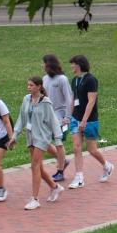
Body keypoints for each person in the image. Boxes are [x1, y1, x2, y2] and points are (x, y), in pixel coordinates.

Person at [12, 77, 63, 209]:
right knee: (39, 167)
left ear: (39, 87)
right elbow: (21, 118)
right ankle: (54, 186)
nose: (29, 87)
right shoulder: (26, 99)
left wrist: (58, 140)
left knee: (34, 165)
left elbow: (54, 122)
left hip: (42, 137)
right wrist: (14, 135)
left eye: (32, 85)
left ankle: (35, 199)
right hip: (31, 136)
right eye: (28, 85)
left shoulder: (46, 103)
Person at [68, 54, 113, 188]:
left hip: (89, 120)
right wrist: (70, 116)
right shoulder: (74, 80)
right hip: (76, 118)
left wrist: (84, 120)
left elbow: (91, 101)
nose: (71, 66)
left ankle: (107, 166)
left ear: (79, 65)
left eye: (73, 64)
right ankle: (79, 177)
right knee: (76, 147)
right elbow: (73, 99)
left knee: (92, 149)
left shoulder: (91, 80)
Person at [40, 54, 72, 182]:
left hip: (60, 116)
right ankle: (63, 161)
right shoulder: (44, 79)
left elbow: (69, 98)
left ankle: (60, 171)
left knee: (58, 143)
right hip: (48, 115)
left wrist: (68, 117)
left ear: (49, 64)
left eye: (43, 63)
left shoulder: (62, 79)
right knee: (44, 141)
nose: (41, 65)